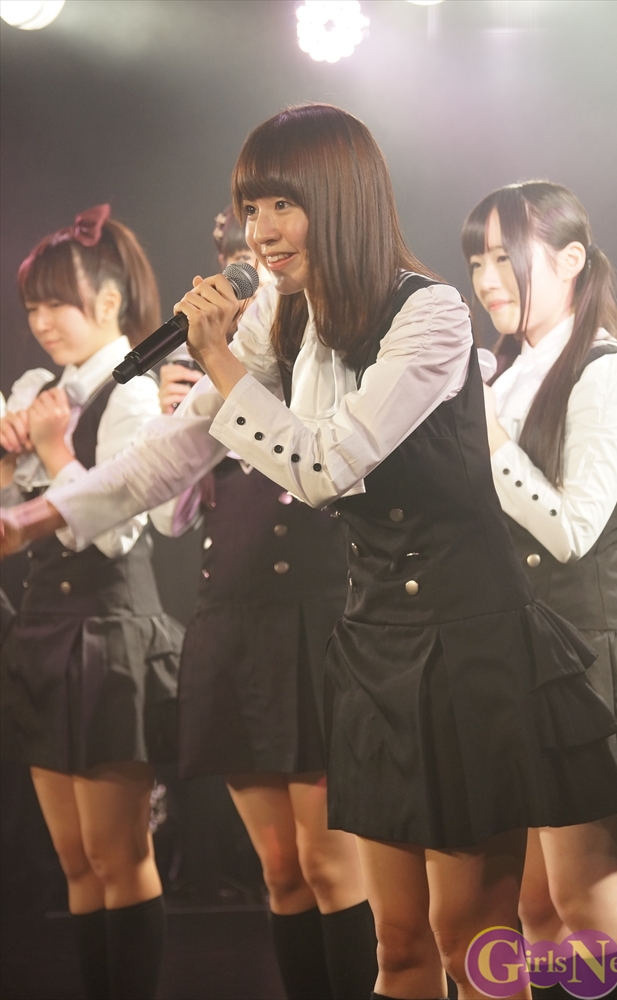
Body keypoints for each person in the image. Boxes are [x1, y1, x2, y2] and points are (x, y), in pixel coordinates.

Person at [0, 107, 617, 1000]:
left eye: (280, 206)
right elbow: (170, 456)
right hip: (372, 647)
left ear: (340, 199)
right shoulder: (279, 317)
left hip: (467, 648)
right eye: (249, 209)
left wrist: (221, 360)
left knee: (470, 940)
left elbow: (328, 465)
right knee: (396, 946)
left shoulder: (431, 313)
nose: (259, 231)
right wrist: (27, 521)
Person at [153, 210, 378, 1000]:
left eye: (253, 272)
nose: (241, 289)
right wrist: (176, 415)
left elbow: (325, 475)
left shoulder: (321, 358)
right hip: (232, 628)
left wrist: (231, 382)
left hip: (314, 625)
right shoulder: (203, 380)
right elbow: (166, 518)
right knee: (279, 872)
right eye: (230, 273)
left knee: (330, 864)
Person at [461, 181, 617, 950]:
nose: (487, 281)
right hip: (512, 657)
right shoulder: (501, 374)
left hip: (579, 657)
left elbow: (573, 528)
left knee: (589, 905)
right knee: (537, 912)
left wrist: (490, 443)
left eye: (504, 258)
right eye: (476, 262)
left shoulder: (607, 372)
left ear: (571, 259)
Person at [0, 205, 183, 1000]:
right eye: (31, 307)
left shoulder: (134, 391)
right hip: (44, 632)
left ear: (109, 301)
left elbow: (116, 533)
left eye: (56, 303)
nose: (41, 322)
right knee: (73, 860)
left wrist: (52, 452)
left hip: (110, 635)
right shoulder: (37, 389)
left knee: (119, 856)